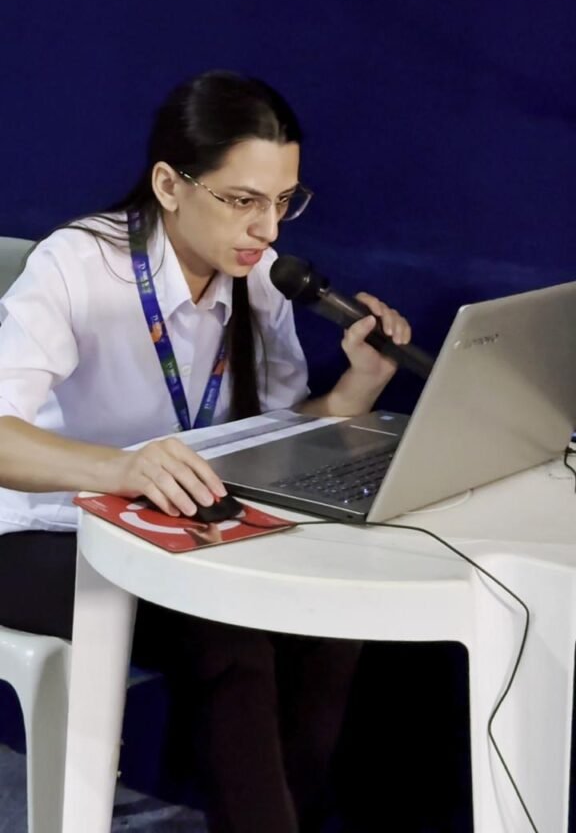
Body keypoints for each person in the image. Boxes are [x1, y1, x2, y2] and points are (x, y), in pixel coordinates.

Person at [0, 70, 411, 833]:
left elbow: (272, 435)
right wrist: (121, 468)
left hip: (168, 526)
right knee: (225, 628)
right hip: (42, 530)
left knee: (326, 619)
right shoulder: (77, 264)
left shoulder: (256, 281)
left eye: (284, 201)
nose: (268, 230)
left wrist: (355, 392)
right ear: (169, 185)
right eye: (242, 200)